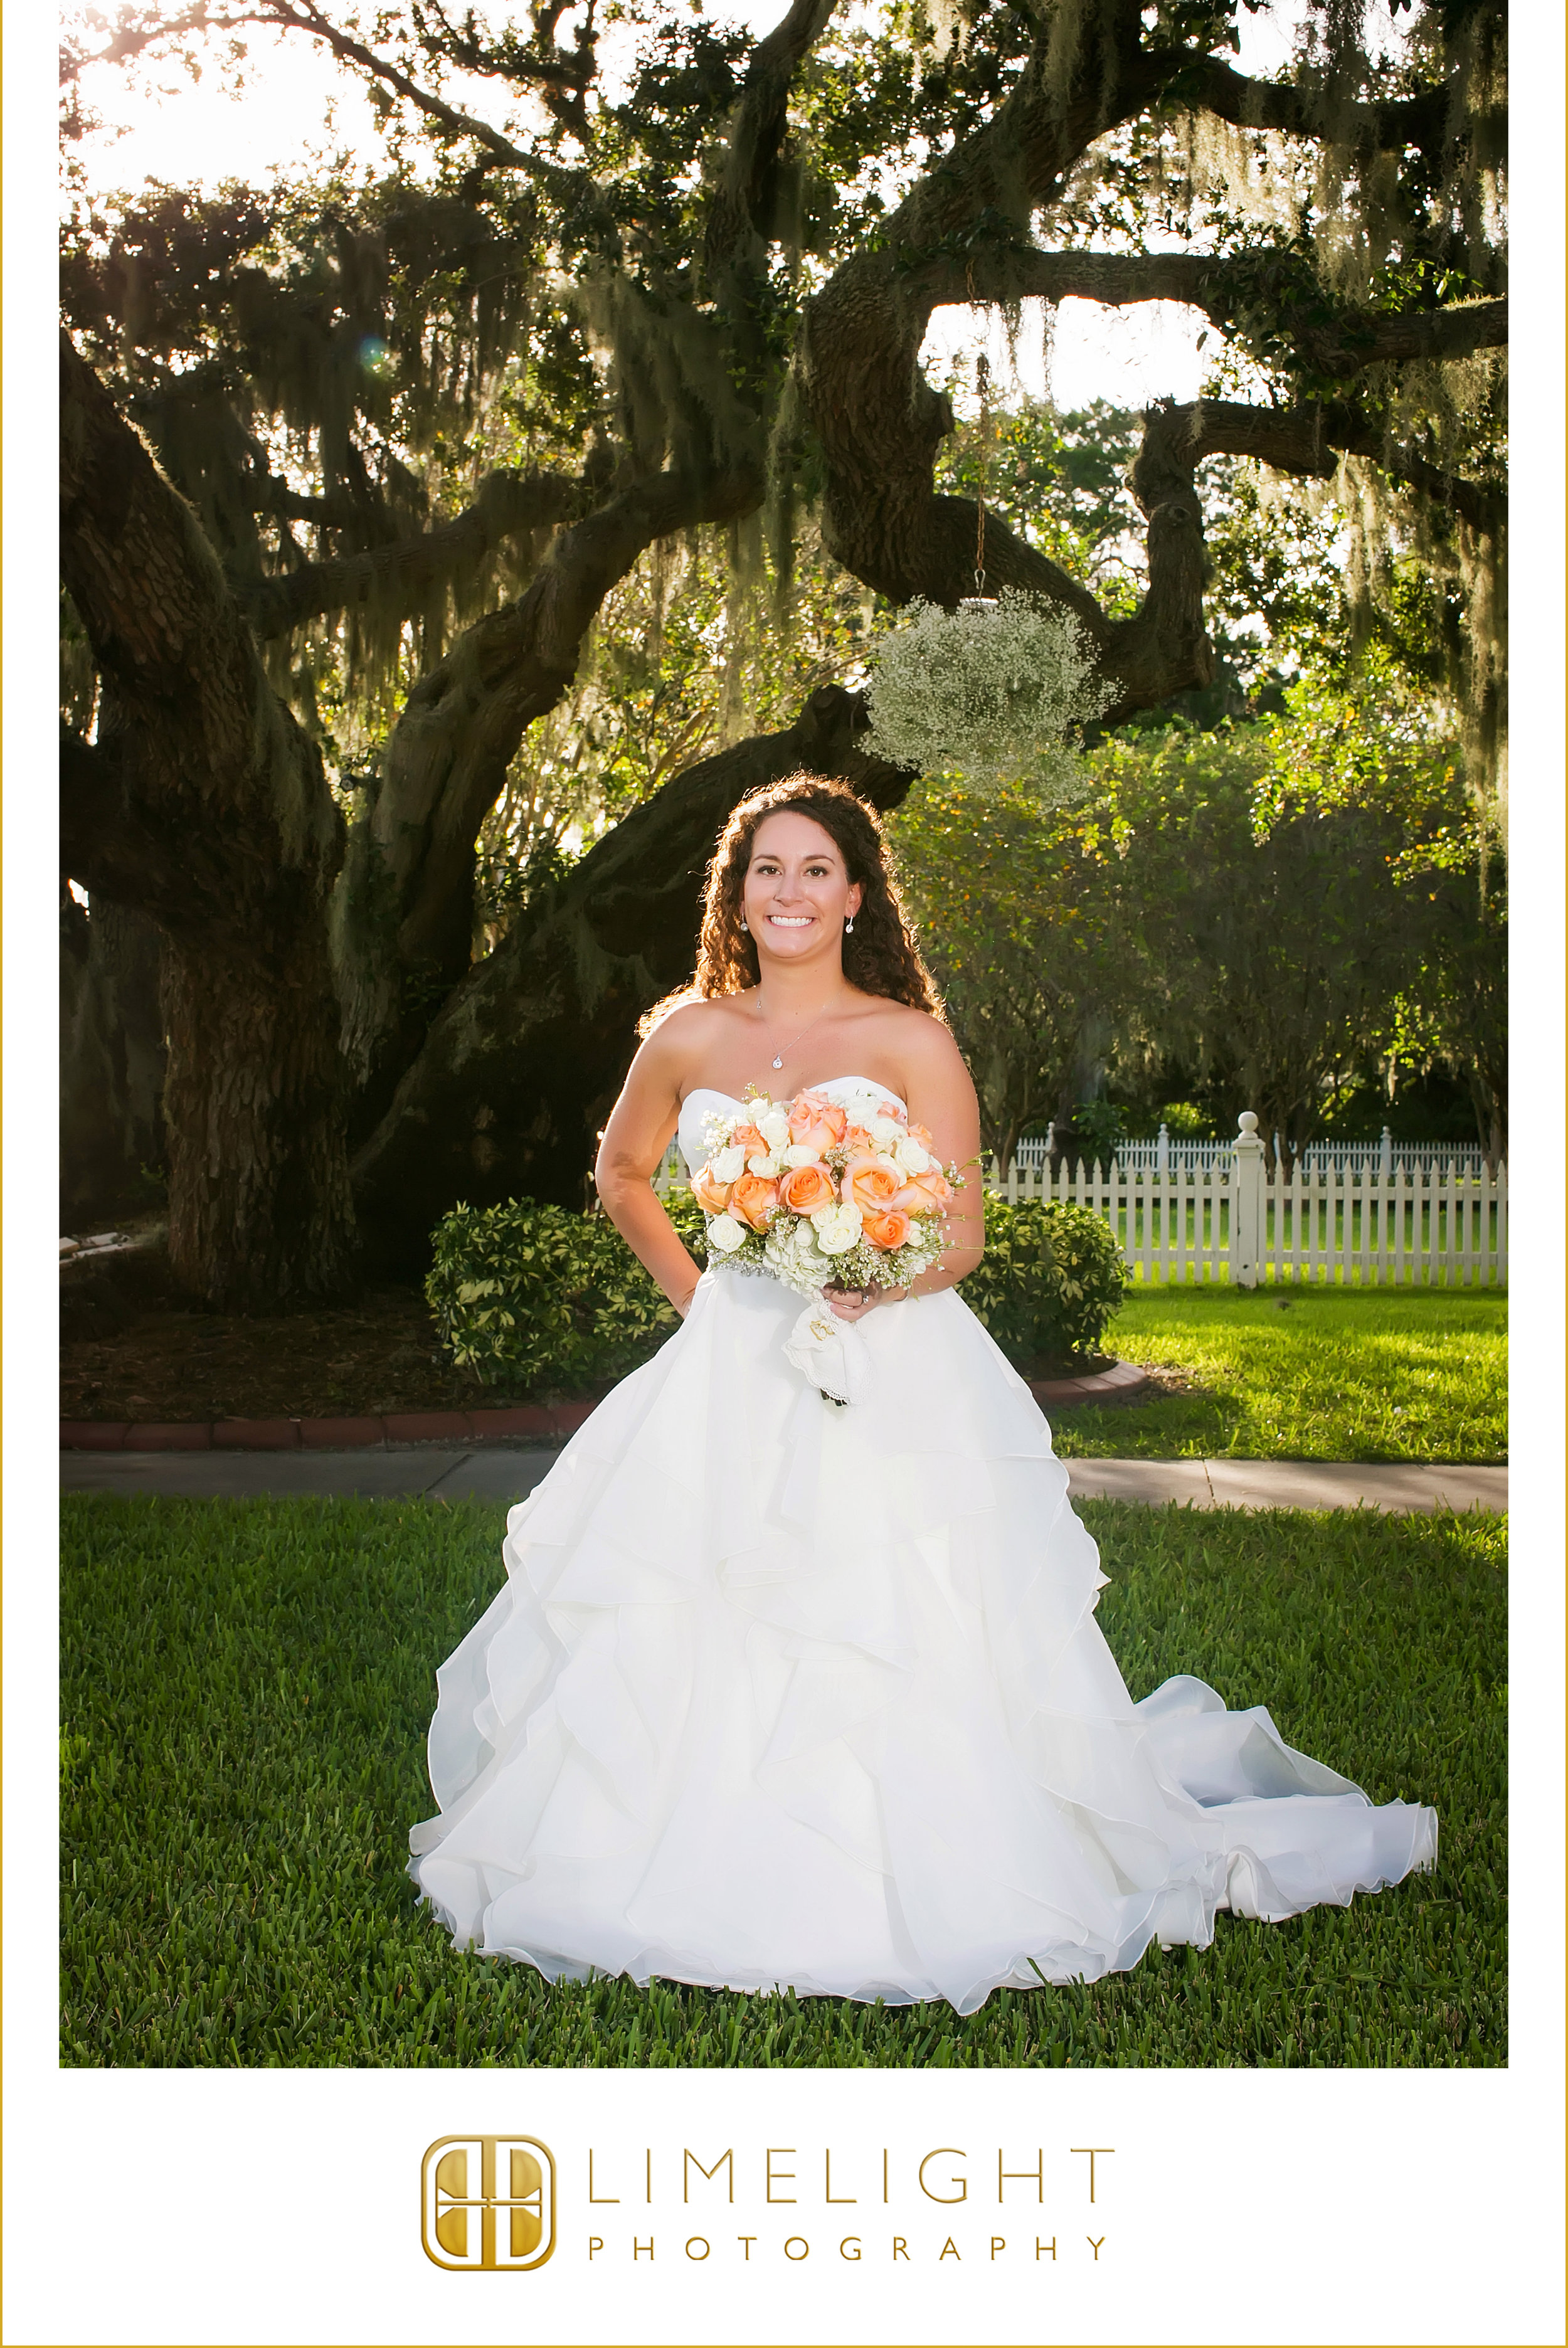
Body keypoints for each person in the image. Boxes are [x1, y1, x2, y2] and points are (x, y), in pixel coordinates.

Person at [409, 773, 1436, 2015]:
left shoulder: (908, 1039)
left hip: (888, 1359)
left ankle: (918, 1861)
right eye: (765, 869)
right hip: (730, 1364)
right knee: (696, 1593)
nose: (787, 892)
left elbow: (954, 1231)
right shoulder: (685, 1033)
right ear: (736, 892)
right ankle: (679, 1857)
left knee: (889, 1610)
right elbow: (622, 1172)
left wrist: (867, 1276)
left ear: (853, 894)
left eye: (813, 870)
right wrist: (705, 1297)